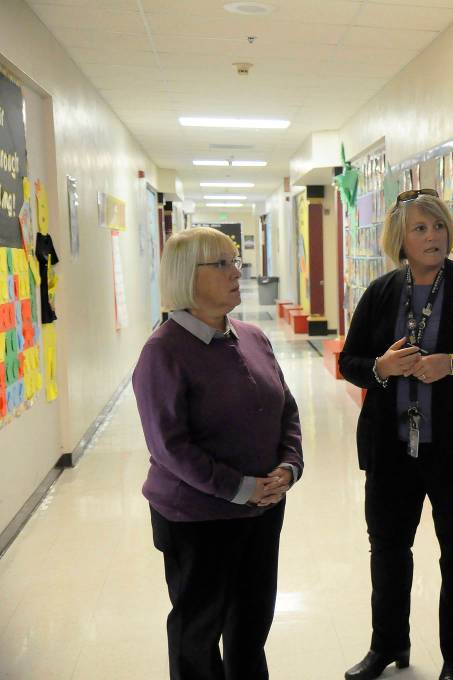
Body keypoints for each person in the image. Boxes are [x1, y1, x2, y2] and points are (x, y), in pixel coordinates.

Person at [339, 189, 453, 680]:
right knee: (389, 550)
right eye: (420, 229)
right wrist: (380, 366)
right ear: (400, 238)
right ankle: (387, 645)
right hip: (391, 450)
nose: (433, 236)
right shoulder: (379, 292)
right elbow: (349, 362)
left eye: (439, 226)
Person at [133, 227, 303, 680]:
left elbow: (286, 408)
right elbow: (170, 447)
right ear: (188, 276)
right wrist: (239, 488)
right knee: (199, 634)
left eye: (236, 262)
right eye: (223, 264)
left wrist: (288, 467)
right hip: (197, 518)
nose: (237, 273)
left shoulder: (252, 336)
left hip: (262, 512)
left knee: (250, 628)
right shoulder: (163, 352)